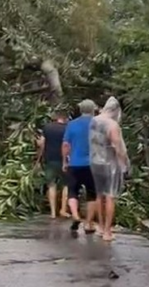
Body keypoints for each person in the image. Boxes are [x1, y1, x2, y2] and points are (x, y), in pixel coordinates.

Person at [89, 96, 129, 242]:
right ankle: (107, 231)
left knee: (99, 195)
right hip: (109, 163)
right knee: (110, 196)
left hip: (95, 161)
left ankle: (100, 227)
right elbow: (118, 146)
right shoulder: (112, 125)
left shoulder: (93, 121)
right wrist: (124, 162)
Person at [62, 99, 98, 234]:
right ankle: (88, 224)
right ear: (93, 109)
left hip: (74, 163)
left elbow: (66, 145)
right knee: (92, 194)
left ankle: (76, 216)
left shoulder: (71, 125)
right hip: (93, 164)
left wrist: (65, 162)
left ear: (80, 109)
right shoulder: (98, 124)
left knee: (72, 191)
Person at [35, 110, 70, 219]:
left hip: (50, 159)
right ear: (65, 118)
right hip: (64, 160)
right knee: (66, 185)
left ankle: (53, 213)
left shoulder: (47, 128)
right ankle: (63, 210)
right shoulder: (68, 128)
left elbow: (42, 144)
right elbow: (68, 145)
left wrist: (38, 159)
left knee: (51, 185)